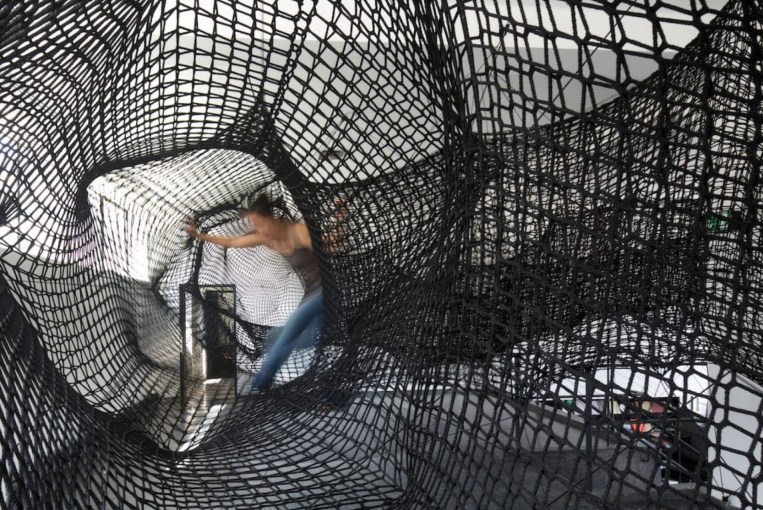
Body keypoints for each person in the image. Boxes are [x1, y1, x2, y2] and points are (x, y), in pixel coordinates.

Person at [185, 195, 347, 392]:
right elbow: (233, 242)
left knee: (288, 338)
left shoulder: (298, 231)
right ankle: (332, 394)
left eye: (262, 224)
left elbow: (333, 244)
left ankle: (260, 385)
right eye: (256, 225)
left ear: (274, 219)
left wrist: (340, 217)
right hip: (310, 295)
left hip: (324, 292)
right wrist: (199, 236)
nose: (260, 230)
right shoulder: (266, 238)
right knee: (279, 340)